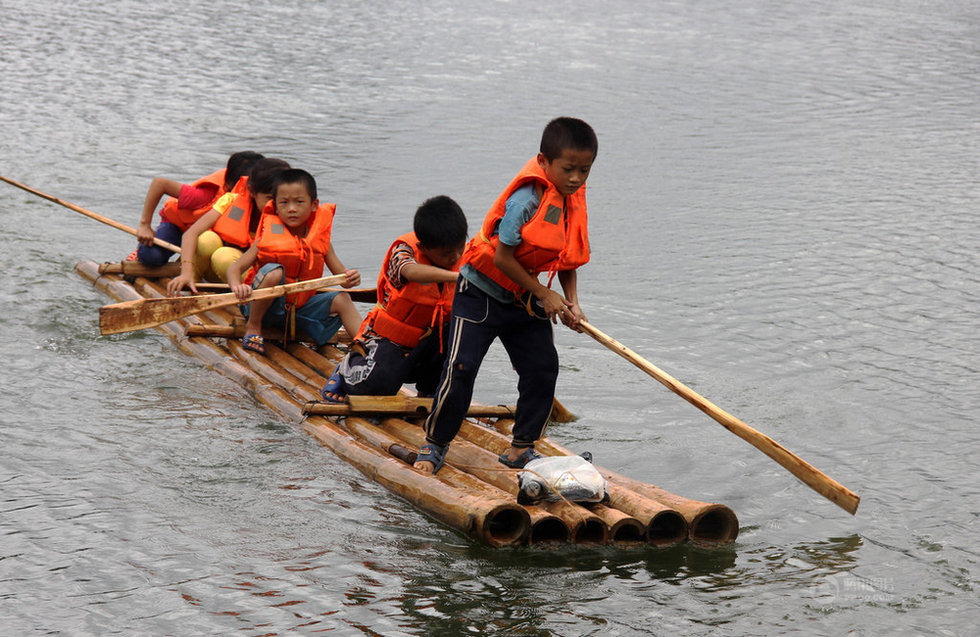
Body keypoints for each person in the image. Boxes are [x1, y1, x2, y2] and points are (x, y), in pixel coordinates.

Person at [414, 117, 597, 474]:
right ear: (544, 162)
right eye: (568, 169)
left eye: (585, 170)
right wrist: (545, 294)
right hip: (481, 292)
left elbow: (566, 257)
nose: (576, 178)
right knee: (461, 367)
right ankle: (434, 445)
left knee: (542, 367)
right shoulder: (526, 199)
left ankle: (521, 448)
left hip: (524, 299)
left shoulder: (571, 201)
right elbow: (502, 257)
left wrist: (571, 302)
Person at [320, 195, 467, 403]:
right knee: (377, 389)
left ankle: (429, 390)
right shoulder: (403, 251)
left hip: (432, 341)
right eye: (447, 254)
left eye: (460, 248)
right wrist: (456, 277)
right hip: (392, 340)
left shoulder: (467, 254)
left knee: (461, 341)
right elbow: (410, 271)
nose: (456, 257)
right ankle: (347, 369)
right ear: (423, 247)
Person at [226, 168, 362, 355]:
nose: (291, 209)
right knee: (275, 272)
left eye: (299, 202)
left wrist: (352, 278)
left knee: (342, 299)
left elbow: (343, 280)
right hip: (265, 311)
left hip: (298, 313)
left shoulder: (321, 241)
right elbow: (235, 268)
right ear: (275, 206)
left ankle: (366, 345)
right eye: (284, 202)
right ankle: (253, 327)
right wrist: (237, 286)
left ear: (314, 205)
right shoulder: (266, 239)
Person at [166, 158, 290, 295]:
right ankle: (190, 286)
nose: (276, 204)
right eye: (269, 198)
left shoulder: (288, 215)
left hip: (252, 282)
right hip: (216, 273)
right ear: (252, 191)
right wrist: (186, 272)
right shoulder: (231, 200)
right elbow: (191, 233)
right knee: (206, 239)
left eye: (282, 198)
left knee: (223, 256)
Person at [132, 151, 264, 266]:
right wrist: (145, 225)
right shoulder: (205, 196)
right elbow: (159, 184)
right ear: (230, 185)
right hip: (181, 228)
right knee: (151, 256)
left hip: (209, 234)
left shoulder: (264, 196)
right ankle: (140, 252)